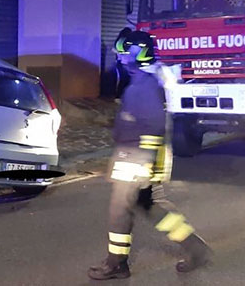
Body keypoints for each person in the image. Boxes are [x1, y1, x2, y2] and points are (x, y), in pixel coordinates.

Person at [88, 31, 212, 280]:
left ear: (137, 53)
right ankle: (196, 248)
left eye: (124, 53)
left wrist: (144, 161)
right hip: (135, 156)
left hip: (136, 157)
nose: (120, 58)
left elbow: (154, 125)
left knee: (119, 210)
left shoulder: (145, 85)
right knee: (151, 207)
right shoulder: (144, 81)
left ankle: (116, 264)